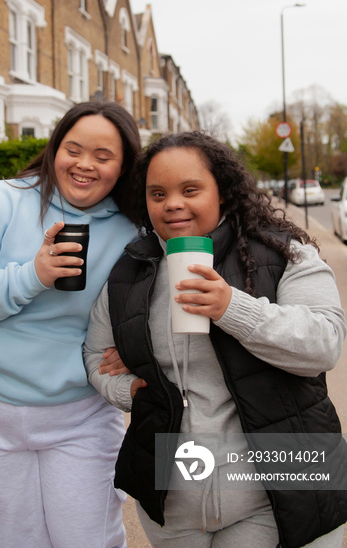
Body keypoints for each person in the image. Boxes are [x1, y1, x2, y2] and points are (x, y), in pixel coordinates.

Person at [84, 131, 347, 548]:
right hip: (172, 507)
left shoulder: (283, 253)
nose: (172, 203)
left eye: (190, 189)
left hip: (274, 493)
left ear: (221, 192)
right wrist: (126, 389)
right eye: (157, 193)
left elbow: (324, 344)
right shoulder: (131, 271)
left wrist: (231, 307)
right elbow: (95, 354)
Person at [0, 100, 142, 548]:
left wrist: (137, 347)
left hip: (81, 415)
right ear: (54, 149)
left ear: (123, 168)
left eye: (104, 157)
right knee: (13, 539)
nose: (85, 165)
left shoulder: (133, 232)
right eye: (74, 149)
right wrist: (32, 275)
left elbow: (153, 305)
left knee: (88, 539)